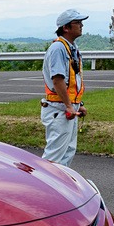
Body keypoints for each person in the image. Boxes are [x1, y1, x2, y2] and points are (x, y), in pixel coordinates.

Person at [40, 9, 88, 167]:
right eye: (78, 23)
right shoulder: (59, 48)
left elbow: (72, 82)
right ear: (66, 28)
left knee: (67, 153)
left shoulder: (72, 48)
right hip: (59, 108)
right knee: (54, 158)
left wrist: (78, 104)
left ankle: (60, 189)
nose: (81, 25)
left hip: (68, 108)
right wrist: (69, 105)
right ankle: (44, 189)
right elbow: (58, 80)